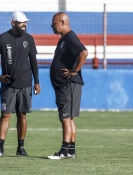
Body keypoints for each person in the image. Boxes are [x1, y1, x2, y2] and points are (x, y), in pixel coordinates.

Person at [0, 11, 41, 157]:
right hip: (8, 85)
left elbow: (34, 62)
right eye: (21, 22)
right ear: (13, 23)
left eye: (26, 22)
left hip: (26, 84)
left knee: (22, 115)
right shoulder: (2, 38)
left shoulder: (29, 39)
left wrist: (37, 82)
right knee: (5, 115)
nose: (24, 24)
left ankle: (21, 148)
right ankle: (0, 148)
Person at [47, 12, 88, 159]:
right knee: (69, 118)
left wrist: (74, 71)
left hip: (68, 85)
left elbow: (83, 52)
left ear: (62, 22)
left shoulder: (70, 38)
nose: (52, 26)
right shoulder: (64, 39)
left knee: (65, 118)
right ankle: (71, 151)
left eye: (54, 23)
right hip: (68, 85)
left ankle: (63, 151)